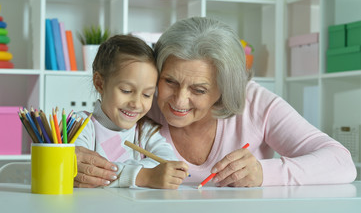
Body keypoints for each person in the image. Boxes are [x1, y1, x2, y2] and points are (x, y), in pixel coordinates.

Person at [74, 17, 357, 188]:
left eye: (198, 89)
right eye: (170, 81)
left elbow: (341, 162)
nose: (178, 101)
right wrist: (70, 159)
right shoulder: (144, 101)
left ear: (224, 89)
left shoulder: (256, 103)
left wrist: (262, 173)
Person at [73, 34, 188, 189]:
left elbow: (167, 162)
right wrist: (143, 176)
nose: (136, 103)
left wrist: (122, 172)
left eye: (147, 94)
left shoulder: (146, 131)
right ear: (100, 84)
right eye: (126, 91)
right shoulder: (79, 125)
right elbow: (84, 172)